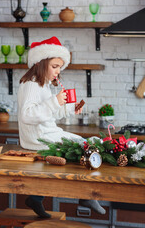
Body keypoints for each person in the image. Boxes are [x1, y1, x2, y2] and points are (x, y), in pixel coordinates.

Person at [17, 36, 106, 218]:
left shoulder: (42, 85)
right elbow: (27, 115)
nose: (58, 71)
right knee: (83, 146)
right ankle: (85, 195)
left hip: (46, 132)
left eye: (60, 67)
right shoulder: (31, 85)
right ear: (41, 63)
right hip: (38, 137)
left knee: (82, 145)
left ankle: (35, 198)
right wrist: (54, 101)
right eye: (54, 66)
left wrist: (67, 108)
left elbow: (47, 115)